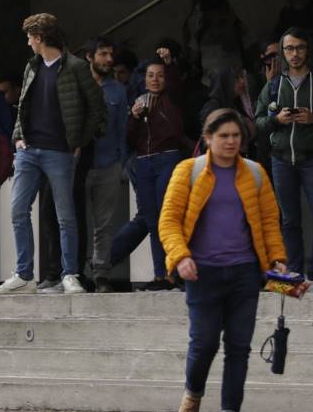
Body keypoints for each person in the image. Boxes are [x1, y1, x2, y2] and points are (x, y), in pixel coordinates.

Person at [159, 108, 289, 412]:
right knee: (204, 342)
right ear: (208, 138)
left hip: (245, 272)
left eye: (236, 136)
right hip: (202, 272)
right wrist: (180, 257)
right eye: (224, 136)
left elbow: (269, 221)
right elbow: (169, 220)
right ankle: (193, 394)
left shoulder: (255, 172)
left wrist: (277, 258)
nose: (231, 141)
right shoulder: (188, 171)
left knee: (239, 348)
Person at [0, 14, 104, 295]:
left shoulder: (76, 67)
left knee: (65, 215)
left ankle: (70, 274)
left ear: (39, 38)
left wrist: (78, 140)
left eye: (30, 38)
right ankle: (24, 274)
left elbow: (97, 107)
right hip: (28, 150)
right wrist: (18, 136)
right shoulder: (32, 66)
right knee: (18, 210)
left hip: (59, 152)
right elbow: (23, 105)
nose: (28, 43)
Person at [253, 28, 313, 291]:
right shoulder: (274, 84)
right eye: (289, 48)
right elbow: (258, 122)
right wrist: (277, 119)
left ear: (308, 49)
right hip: (281, 159)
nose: (294, 54)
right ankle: (293, 279)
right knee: (289, 221)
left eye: (300, 48)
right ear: (282, 52)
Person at [111, 50, 187, 291]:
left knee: (167, 216)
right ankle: (160, 275)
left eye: (160, 75)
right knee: (152, 220)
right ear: (144, 79)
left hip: (167, 158)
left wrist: (169, 65)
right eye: (151, 75)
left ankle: (174, 273)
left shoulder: (172, 97)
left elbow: (176, 85)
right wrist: (133, 117)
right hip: (143, 162)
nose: (155, 79)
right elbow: (129, 138)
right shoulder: (139, 101)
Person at [82, 37, 128, 293]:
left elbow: (122, 129)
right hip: (79, 164)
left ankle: (100, 273)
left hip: (109, 163)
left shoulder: (117, 90)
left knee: (104, 224)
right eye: (103, 54)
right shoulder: (78, 85)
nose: (109, 59)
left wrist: (121, 161)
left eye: (110, 54)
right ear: (89, 57)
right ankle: (74, 271)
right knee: (73, 220)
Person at [182, 0, 249, 77]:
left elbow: (243, 36)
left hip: (232, 65)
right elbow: (192, 55)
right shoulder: (194, 16)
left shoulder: (226, 9)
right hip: (210, 72)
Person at [199, 68, 258, 157]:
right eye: (237, 79)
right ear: (226, 82)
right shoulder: (212, 107)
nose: (242, 81)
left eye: (241, 77)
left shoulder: (235, 104)